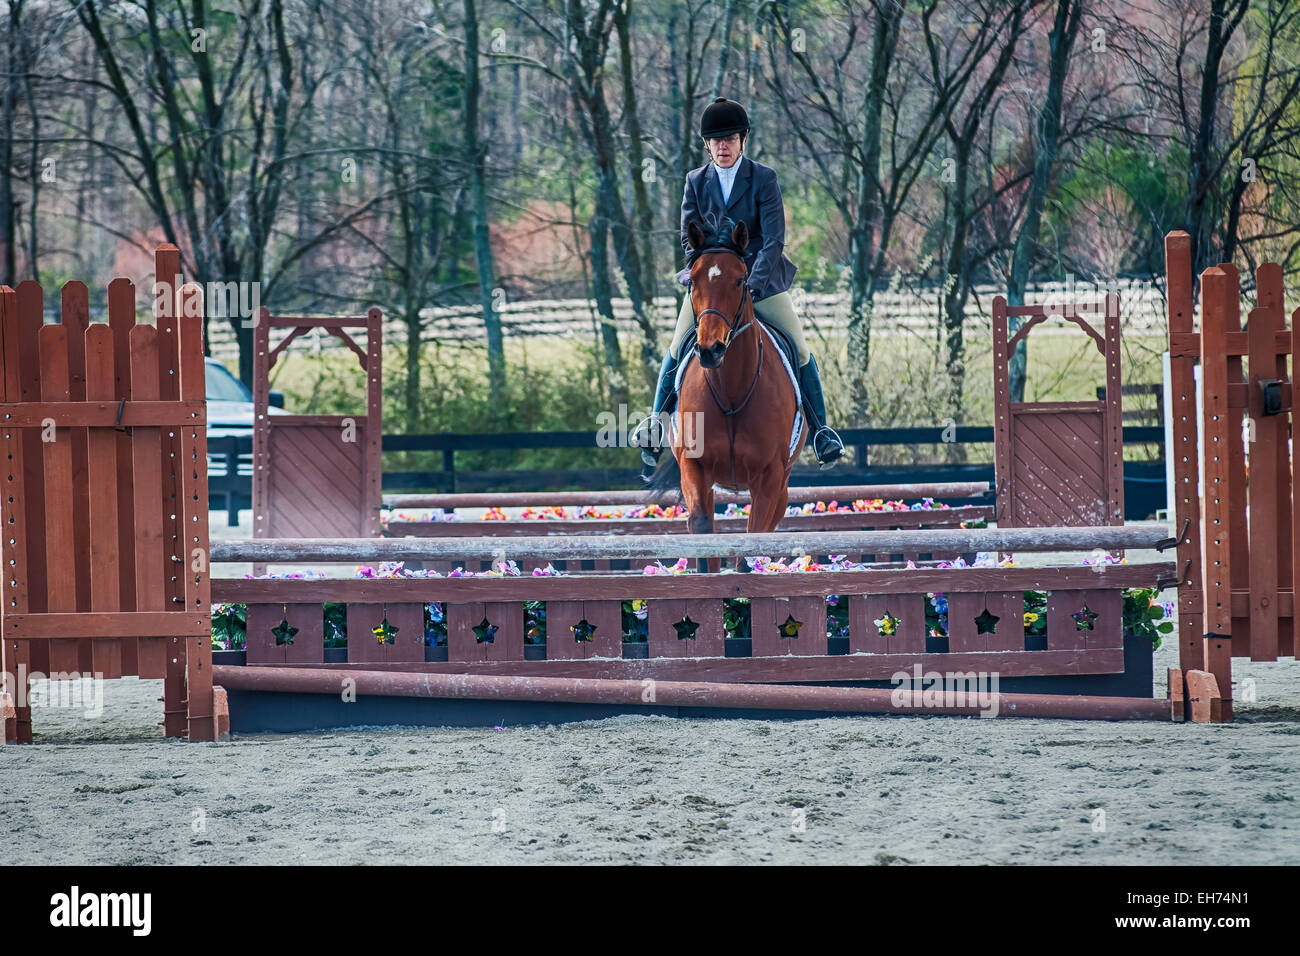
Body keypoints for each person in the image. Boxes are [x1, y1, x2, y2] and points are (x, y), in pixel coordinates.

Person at [635, 97, 844, 474]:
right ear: (706, 145)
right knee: (678, 342)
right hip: (713, 287)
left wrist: (754, 284)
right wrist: (706, 271)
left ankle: (822, 432)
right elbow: (688, 237)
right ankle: (655, 423)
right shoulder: (695, 182)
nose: (722, 146)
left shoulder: (763, 178)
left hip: (761, 282)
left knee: (798, 347)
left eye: (729, 138)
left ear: (742, 139)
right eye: (715, 141)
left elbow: (774, 239)